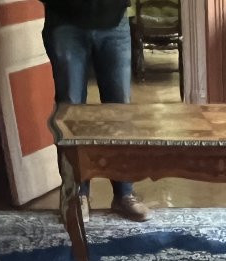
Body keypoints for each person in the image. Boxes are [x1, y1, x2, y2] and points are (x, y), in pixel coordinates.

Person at [41, 0, 150, 221]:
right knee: (70, 116)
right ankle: (77, 195)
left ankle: (124, 194)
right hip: (65, 22)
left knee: (119, 113)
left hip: (114, 21)